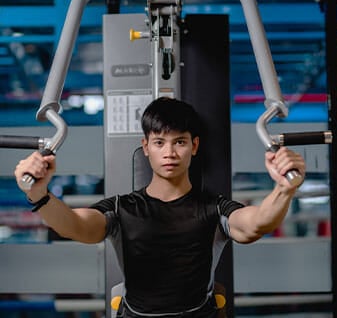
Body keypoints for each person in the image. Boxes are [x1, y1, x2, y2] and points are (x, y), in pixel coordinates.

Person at [14, 97, 305, 318]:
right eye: (159, 142)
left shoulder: (214, 208)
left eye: (179, 142)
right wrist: (39, 193)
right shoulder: (121, 208)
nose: (169, 153)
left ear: (194, 146)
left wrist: (284, 188)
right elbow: (78, 227)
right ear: (146, 146)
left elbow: (256, 224)